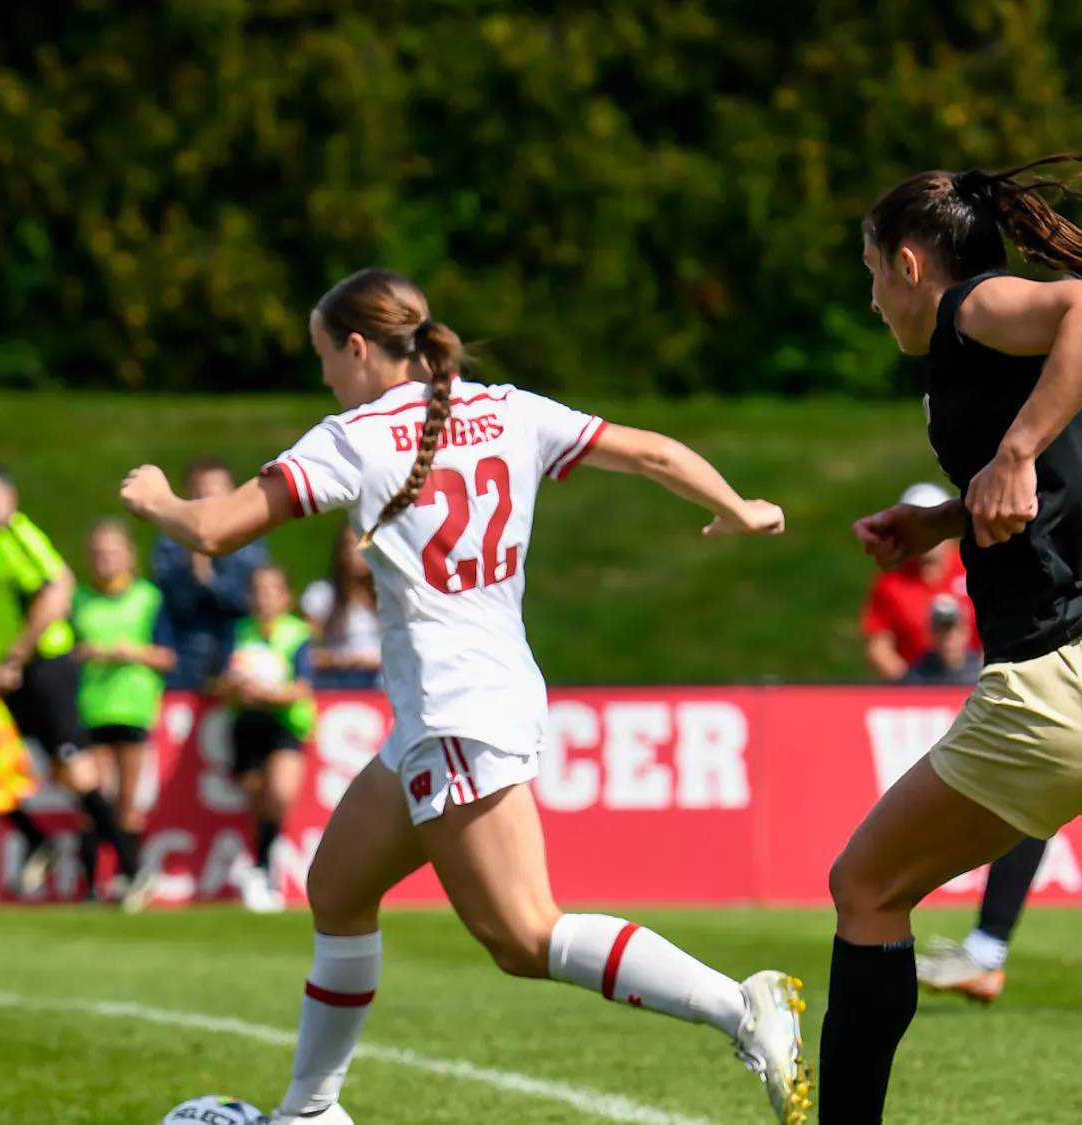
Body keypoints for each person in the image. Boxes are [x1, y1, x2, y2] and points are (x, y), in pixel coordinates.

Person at [121, 268, 809, 1125]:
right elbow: (655, 452)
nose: (325, 375)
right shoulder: (512, 409)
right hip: (471, 701)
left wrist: (156, 499)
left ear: (361, 348)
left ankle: (740, 1007)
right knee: (336, 886)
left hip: (452, 713)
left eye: (324, 356)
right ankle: (309, 1111)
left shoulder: (356, 436)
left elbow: (216, 528)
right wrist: (737, 506)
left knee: (523, 935)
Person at [826, 154, 1082, 1124]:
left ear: (909, 266)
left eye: (873, 273)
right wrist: (945, 522)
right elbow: (1054, 495)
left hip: (1057, 681)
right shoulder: (977, 361)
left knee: (865, 887)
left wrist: (1009, 455)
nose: (876, 299)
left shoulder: (973, 311)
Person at [916, 369, 1082, 1001]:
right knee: (1060, 775)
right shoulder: (1045, 397)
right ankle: (987, 947)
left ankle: (987, 948)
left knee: (865, 884)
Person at [0, 465, 160, 913]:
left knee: (76, 770)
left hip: (40, 670)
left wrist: (15, 655)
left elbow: (57, 589)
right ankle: (40, 842)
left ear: (8, 496)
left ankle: (131, 866)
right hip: (14, 678)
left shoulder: (16, 536)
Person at [71, 518, 178, 902]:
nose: (106, 560)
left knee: (127, 804)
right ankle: (86, 887)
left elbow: (166, 656)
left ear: (129, 555)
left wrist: (129, 652)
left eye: (113, 551)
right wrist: (86, 653)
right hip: (92, 707)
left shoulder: (148, 598)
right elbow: (65, 650)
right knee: (93, 799)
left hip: (133, 707)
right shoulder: (79, 600)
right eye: (99, 553)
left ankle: (125, 880)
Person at [217, 564, 317, 912]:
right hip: (246, 723)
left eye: (273, 591)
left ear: (286, 596)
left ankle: (262, 868)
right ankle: (262, 868)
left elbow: (301, 689)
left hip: (284, 723)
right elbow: (217, 681)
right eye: (258, 591)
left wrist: (266, 692)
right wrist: (233, 685)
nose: (265, 598)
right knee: (255, 798)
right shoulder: (238, 632)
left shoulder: (298, 634)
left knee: (279, 792)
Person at [152, 457, 271, 690]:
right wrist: (190, 572)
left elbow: (251, 601)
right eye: (200, 491)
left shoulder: (251, 539)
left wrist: (209, 580)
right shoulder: (169, 543)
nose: (207, 497)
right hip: (184, 659)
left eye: (214, 490)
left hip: (240, 658)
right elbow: (168, 602)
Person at [860, 482, 978, 680]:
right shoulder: (892, 580)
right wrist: (912, 685)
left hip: (976, 682)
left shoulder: (974, 568)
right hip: (917, 686)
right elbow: (879, 647)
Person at [300, 524, 383, 690]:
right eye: (351, 545)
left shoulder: (389, 595)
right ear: (341, 552)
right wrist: (344, 659)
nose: (357, 551)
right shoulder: (323, 595)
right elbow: (305, 650)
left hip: (381, 677)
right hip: (337, 677)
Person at [898, 594, 982, 686]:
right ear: (930, 633)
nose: (947, 637)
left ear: (966, 631)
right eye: (939, 630)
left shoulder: (982, 675)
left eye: (951, 628)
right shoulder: (916, 679)